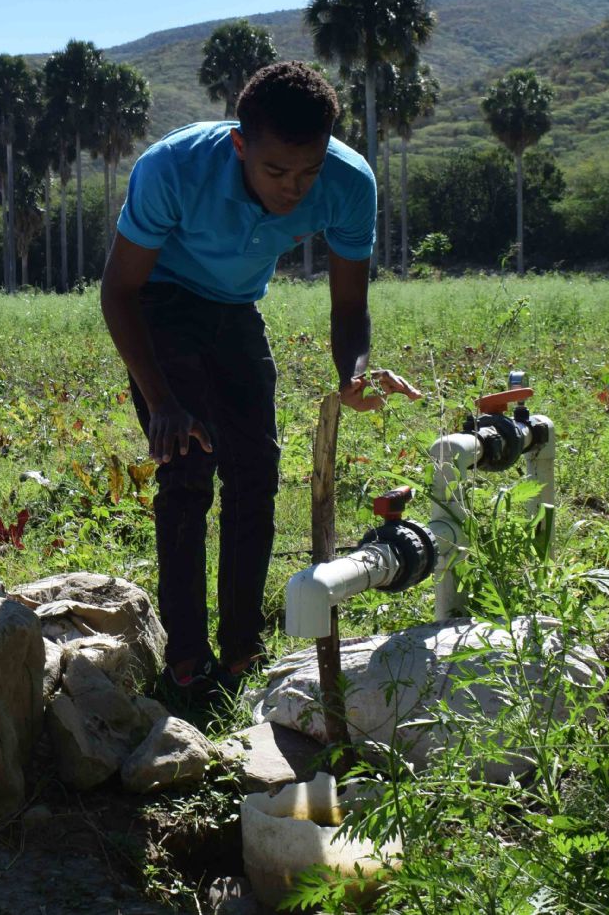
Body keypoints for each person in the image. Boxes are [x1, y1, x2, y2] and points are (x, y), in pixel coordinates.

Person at [98, 60, 422, 705]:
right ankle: (186, 661)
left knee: (256, 472)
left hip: (236, 306)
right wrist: (162, 402)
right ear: (240, 145)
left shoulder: (350, 182)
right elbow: (119, 291)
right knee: (187, 468)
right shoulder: (173, 169)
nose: (293, 188)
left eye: (308, 171)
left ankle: (242, 648)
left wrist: (354, 375)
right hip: (159, 300)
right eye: (276, 172)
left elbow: (349, 307)